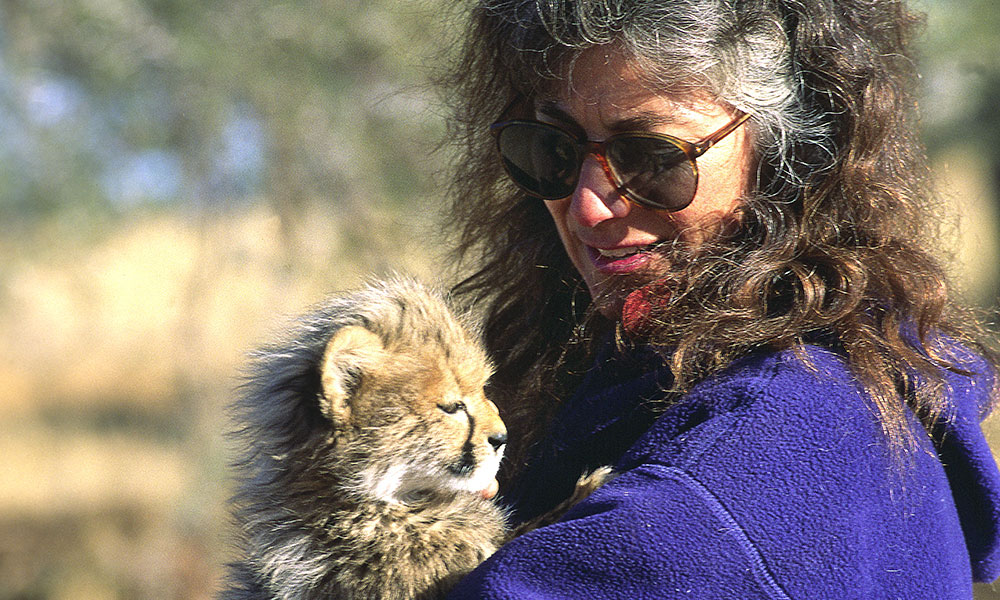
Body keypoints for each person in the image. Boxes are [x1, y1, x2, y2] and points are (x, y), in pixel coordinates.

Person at [435, 0, 1000, 598]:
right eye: (551, 149)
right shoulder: (835, 371)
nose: (587, 207)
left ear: (790, 156)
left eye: (653, 158)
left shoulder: (717, 494)